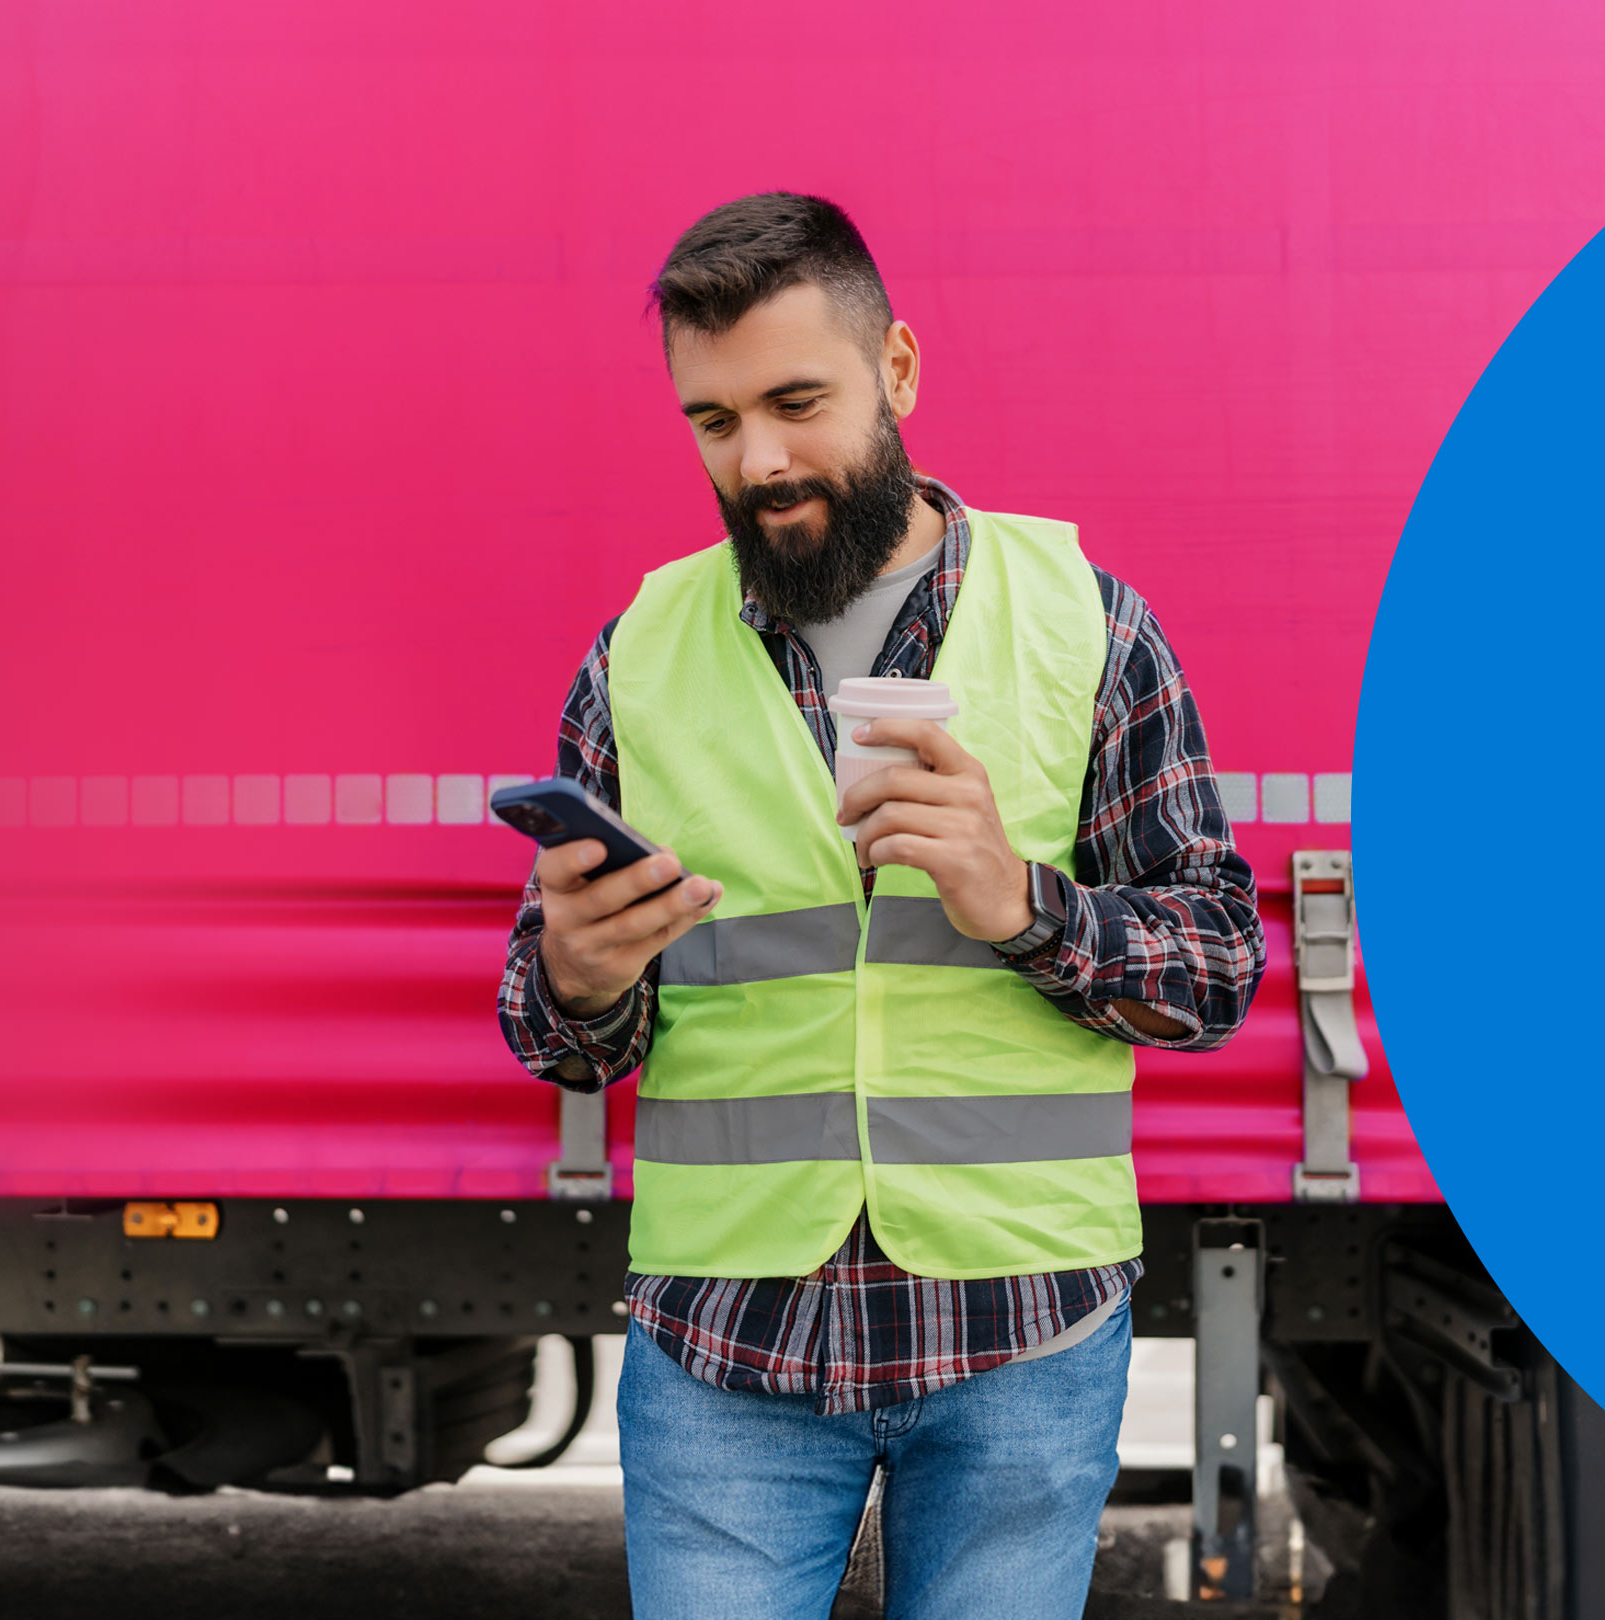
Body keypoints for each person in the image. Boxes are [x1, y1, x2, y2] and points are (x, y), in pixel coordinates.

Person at [495, 192, 1263, 1619]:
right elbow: (560, 1038)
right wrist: (580, 979)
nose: (761, 460)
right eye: (714, 422)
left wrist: (1021, 903)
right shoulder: (637, 655)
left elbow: (1217, 967)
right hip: (730, 1346)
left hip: (1019, 1334)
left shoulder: (1085, 619)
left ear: (898, 371)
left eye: (797, 401)